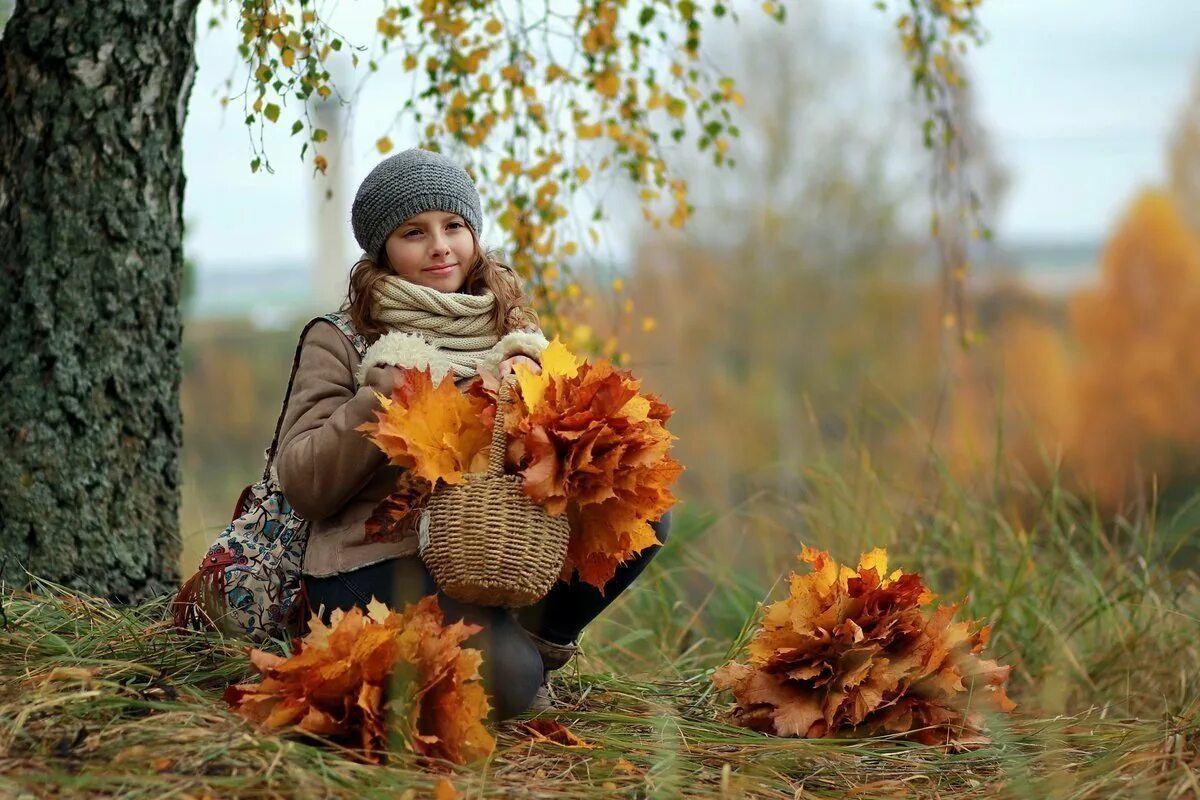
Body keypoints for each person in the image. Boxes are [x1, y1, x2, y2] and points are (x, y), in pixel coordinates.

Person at [275, 148, 671, 719]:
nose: (439, 245)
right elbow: (305, 482)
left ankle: (531, 640)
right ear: (382, 249)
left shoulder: (510, 328)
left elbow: (554, 458)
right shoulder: (342, 338)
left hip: (490, 548)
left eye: (453, 226)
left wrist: (541, 406)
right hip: (371, 563)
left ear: (473, 234)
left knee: (641, 514)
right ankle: (511, 659)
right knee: (508, 680)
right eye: (414, 231)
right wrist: (380, 397)